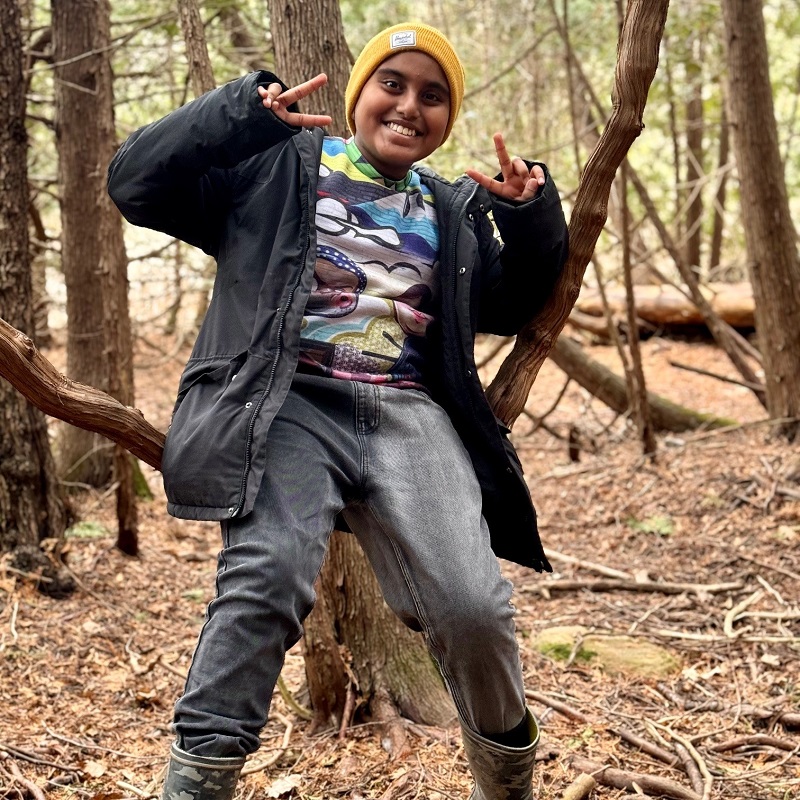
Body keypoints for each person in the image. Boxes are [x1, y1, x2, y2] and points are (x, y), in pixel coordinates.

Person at [108, 22, 568, 800]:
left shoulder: (451, 209)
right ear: (359, 95)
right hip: (288, 404)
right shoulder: (275, 169)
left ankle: (511, 780)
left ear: (447, 117)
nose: (409, 106)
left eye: (433, 95)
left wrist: (529, 217)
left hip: (408, 415)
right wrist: (242, 114)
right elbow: (134, 184)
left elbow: (513, 304)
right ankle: (197, 784)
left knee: (474, 606)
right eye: (393, 84)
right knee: (267, 578)